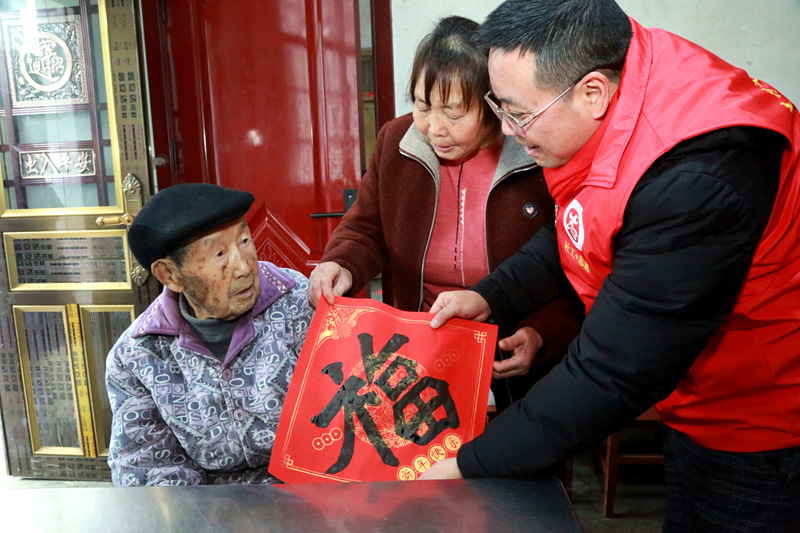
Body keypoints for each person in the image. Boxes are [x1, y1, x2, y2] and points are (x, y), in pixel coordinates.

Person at [420, 1, 800, 531]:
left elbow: (613, 369)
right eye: (498, 106)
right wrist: (491, 297)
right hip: (690, 392)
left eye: (518, 113)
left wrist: (469, 464)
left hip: (761, 423)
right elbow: (579, 223)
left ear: (592, 93)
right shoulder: (623, 74)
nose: (506, 129)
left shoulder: (695, 174)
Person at [308, 16, 582, 412]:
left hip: (509, 358)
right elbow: (366, 227)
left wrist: (542, 332)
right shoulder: (397, 144)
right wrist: (341, 264)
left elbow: (566, 262)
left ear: (493, 106)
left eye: (454, 114)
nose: (434, 127)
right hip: (419, 352)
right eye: (423, 106)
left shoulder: (535, 153)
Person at [105, 183, 313, 486]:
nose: (244, 267)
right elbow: (147, 466)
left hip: (311, 490)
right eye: (219, 253)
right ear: (170, 275)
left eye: (244, 241)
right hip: (210, 506)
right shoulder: (138, 355)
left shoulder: (303, 304)